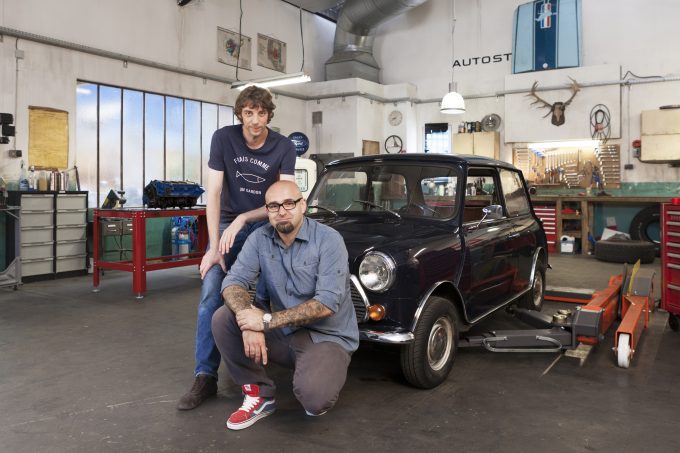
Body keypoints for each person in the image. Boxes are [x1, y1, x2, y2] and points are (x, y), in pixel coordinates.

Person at [177, 87, 296, 411]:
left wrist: (245, 217)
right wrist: (214, 247)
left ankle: (269, 362)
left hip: (266, 221)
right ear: (240, 114)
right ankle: (205, 376)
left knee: (271, 291)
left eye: (261, 113)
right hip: (226, 223)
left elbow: (284, 197)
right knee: (210, 293)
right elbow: (214, 193)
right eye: (248, 113)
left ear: (269, 115)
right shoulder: (223, 139)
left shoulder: (283, 146)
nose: (255, 120)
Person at [211, 180, 358, 430]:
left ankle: (315, 371)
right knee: (223, 318)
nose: (282, 211)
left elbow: (326, 304)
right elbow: (233, 282)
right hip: (284, 333)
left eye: (289, 203)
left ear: (303, 206)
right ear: (267, 210)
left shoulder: (328, 240)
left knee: (314, 399)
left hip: (326, 337)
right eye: (274, 206)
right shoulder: (260, 238)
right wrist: (248, 320)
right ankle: (259, 394)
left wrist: (265, 321)